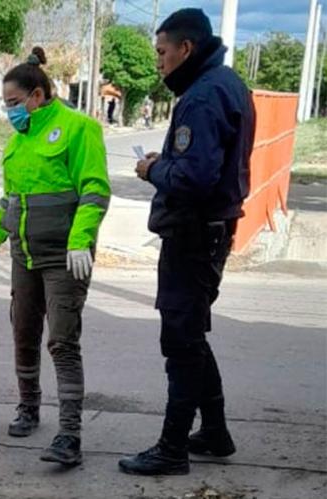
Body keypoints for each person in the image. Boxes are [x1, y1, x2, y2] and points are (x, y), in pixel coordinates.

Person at [119, 8, 255, 476]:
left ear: (185, 49)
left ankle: (172, 448)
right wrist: (168, 163)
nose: (158, 62)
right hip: (210, 231)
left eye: (161, 52)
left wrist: (152, 169)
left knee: (180, 342)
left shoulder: (202, 96)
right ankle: (214, 432)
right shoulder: (226, 83)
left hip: (194, 234)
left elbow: (194, 179)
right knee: (192, 334)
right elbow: (203, 164)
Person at [0, 46, 110, 466]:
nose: (10, 111)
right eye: (6, 104)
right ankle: (28, 407)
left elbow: (94, 190)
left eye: (14, 103)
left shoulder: (77, 128)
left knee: (62, 342)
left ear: (37, 95)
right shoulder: (18, 142)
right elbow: (10, 202)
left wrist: (80, 240)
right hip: (24, 255)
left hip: (65, 258)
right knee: (23, 334)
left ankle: (70, 435)